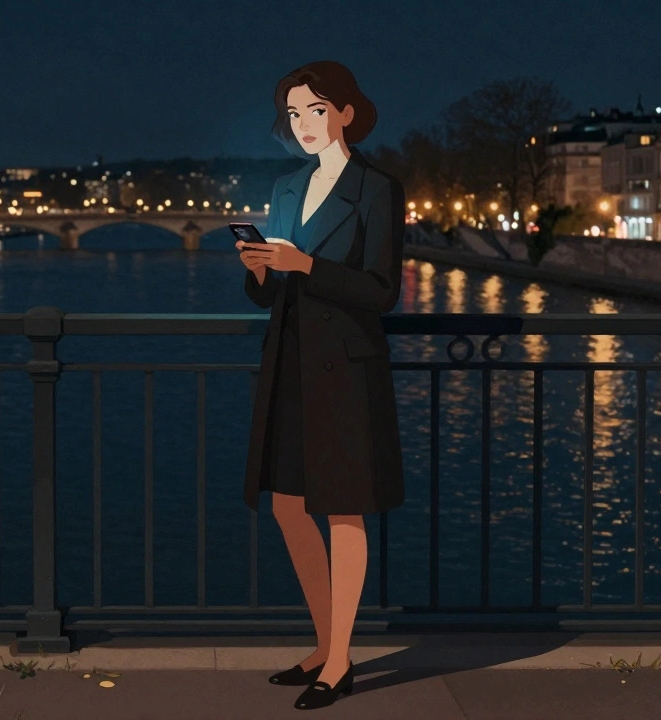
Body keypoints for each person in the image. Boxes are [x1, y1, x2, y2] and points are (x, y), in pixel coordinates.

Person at [235, 60, 405, 711]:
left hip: (344, 368)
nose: (303, 124)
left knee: (342, 509)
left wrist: (305, 264)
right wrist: (258, 270)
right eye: (294, 113)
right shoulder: (287, 187)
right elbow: (270, 296)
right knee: (287, 505)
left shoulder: (377, 189)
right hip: (292, 362)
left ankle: (337, 660)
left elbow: (381, 291)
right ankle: (328, 645)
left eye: (315, 110)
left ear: (346, 113)